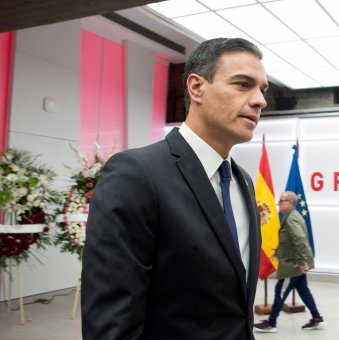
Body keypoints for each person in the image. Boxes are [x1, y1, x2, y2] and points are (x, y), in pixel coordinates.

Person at [81, 37, 268, 339]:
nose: (260, 100)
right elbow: (112, 324)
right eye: (243, 84)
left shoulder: (243, 181)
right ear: (196, 88)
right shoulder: (137, 175)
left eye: (262, 89)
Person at [253, 191, 325, 333]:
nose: (278, 203)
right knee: (303, 290)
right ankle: (316, 317)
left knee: (280, 290)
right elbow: (291, 241)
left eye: (282, 201)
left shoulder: (292, 219)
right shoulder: (290, 217)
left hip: (293, 265)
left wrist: (301, 261)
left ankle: (271, 323)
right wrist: (277, 252)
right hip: (295, 262)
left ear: (290, 203)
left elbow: (300, 240)